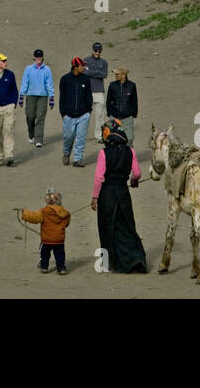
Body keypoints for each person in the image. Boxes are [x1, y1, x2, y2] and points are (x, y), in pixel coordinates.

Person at [90, 119, 147, 274]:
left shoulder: (103, 153)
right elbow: (137, 173)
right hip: (123, 193)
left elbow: (99, 178)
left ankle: (108, 262)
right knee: (126, 226)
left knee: (106, 228)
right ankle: (134, 260)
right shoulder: (130, 151)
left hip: (107, 194)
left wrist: (95, 197)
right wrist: (133, 181)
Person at [19, 189, 70, 275]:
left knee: (44, 254)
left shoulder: (44, 211)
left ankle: (44, 267)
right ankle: (61, 268)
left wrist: (25, 213)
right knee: (60, 255)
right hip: (59, 240)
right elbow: (66, 224)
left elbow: (34, 217)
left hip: (47, 239)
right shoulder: (65, 213)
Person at [59, 57, 93, 167]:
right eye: (82, 66)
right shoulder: (64, 79)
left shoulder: (85, 79)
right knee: (68, 137)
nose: (84, 67)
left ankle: (78, 159)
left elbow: (89, 95)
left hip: (83, 114)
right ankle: (66, 153)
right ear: (75, 67)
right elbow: (62, 97)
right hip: (68, 114)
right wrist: (63, 113)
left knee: (81, 138)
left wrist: (88, 110)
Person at [20, 49, 54, 148]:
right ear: (34, 58)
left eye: (40, 57)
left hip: (43, 96)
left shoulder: (47, 69)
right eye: (37, 57)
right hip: (31, 95)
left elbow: (49, 83)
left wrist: (51, 97)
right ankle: (31, 134)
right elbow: (25, 82)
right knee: (30, 116)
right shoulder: (28, 69)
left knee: (40, 117)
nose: (38, 59)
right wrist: (21, 95)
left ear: (42, 58)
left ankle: (39, 139)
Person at [105, 67, 138, 147]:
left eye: (117, 74)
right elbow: (108, 100)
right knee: (114, 140)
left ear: (123, 75)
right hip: (115, 118)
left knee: (129, 138)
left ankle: (128, 152)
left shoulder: (131, 85)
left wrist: (133, 114)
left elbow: (134, 101)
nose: (115, 76)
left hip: (127, 118)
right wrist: (110, 113)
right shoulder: (112, 85)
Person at [83, 42, 108, 141]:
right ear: (92, 50)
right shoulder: (86, 60)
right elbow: (85, 73)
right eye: (96, 51)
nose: (97, 53)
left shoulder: (104, 62)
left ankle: (99, 135)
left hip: (99, 91)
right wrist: (98, 72)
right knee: (85, 115)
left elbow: (104, 74)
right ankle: (82, 135)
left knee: (100, 115)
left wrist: (91, 72)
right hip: (88, 91)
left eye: (99, 51)